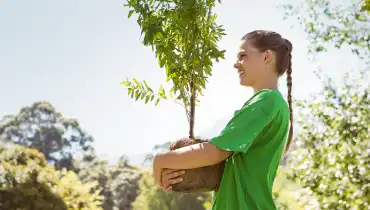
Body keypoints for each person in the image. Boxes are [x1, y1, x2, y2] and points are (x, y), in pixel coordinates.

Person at [152, 30, 294, 210]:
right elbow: (226, 166)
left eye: (243, 56)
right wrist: (180, 172)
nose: (236, 64)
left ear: (266, 57)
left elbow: (217, 151)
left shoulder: (267, 101)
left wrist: (161, 160)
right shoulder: (272, 102)